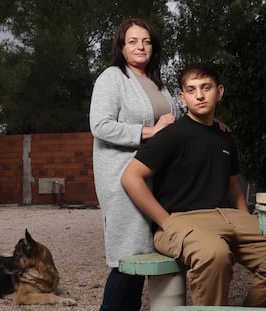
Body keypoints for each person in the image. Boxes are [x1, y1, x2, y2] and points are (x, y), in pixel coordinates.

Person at [121, 63, 266, 307]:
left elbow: (232, 185)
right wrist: (165, 222)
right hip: (182, 220)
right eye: (192, 90)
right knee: (214, 254)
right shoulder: (172, 135)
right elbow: (131, 177)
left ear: (219, 92)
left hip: (227, 217)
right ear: (183, 98)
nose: (200, 95)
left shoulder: (224, 135)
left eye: (206, 87)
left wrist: (246, 222)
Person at [89, 17, 183, 311]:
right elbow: (100, 125)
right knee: (128, 257)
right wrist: (148, 132)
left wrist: (209, 123)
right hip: (125, 177)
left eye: (146, 41)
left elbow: (175, 121)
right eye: (133, 41)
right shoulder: (112, 78)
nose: (140, 47)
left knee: (148, 254)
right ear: (121, 47)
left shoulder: (158, 83)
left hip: (158, 177)